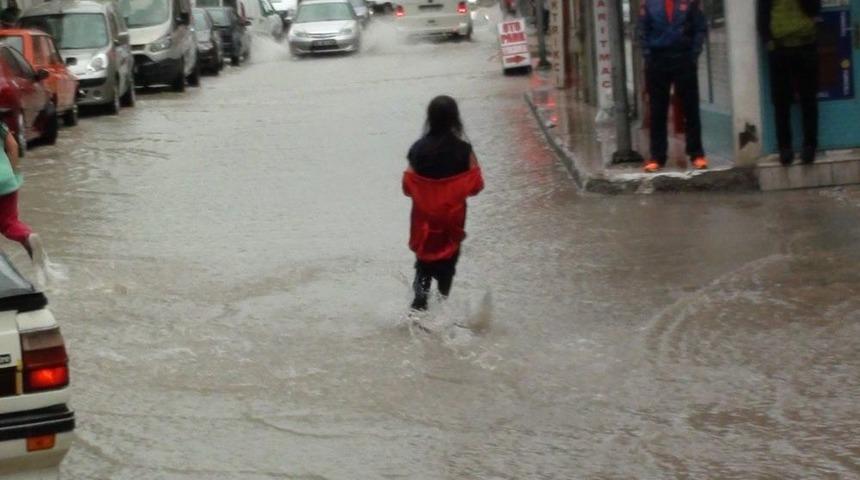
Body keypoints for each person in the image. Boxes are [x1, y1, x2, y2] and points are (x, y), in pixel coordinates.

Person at [403, 96, 484, 312]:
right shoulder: (464, 150)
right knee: (447, 267)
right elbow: (477, 185)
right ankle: (442, 312)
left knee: (423, 267)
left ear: (429, 118)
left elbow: (407, 186)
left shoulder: (417, 149)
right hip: (452, 221)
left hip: (424, 223)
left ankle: (417, 311)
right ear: (455, 119)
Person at [638, 0, 708, 173]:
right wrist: (648, 55)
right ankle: (657, 156)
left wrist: (693, 53)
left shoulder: (690, 2)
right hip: (658, 60)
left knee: (691, 108)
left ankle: (696, 154)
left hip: (683, 58)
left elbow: (700, 27)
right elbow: (642, 30)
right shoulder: (650, 4)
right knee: (657, 109)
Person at [758, 0, 821, 165]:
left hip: (806, 46)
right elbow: (762, 16)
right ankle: (785, 148)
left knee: (809, 99)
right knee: (781, 102)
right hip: (780, 49)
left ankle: (810, 147)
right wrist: (769, 43)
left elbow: (814, 7)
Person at [0, 121, 46, 278]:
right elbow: (13, 146)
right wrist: (12, 172)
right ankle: (28, 236)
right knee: (10, 223)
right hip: (7, 179)